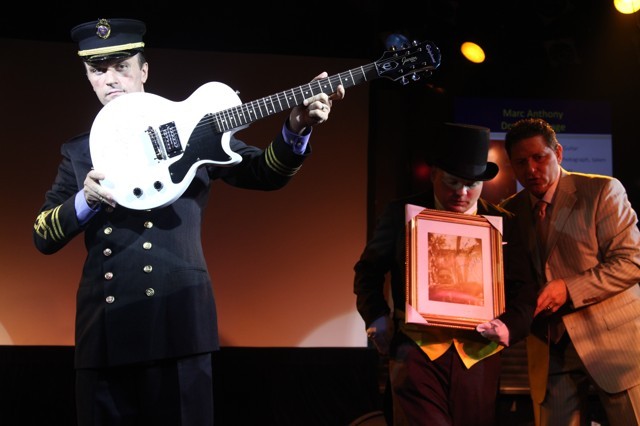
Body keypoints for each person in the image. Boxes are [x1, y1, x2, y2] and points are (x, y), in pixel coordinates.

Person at [32, 18, 345, 426]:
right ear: (88, 78)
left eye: (122, 66)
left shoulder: (192, 128)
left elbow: (265, 172)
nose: (110, 79)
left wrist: (296, 128)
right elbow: (43, 234)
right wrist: (84, 201)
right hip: (105, 334)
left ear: (144, 70)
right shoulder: (79, 151)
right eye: (98, 70)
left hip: (178, 324)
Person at [353, 122, 536, 426]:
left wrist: (510, 327)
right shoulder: (402, 214)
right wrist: (376, 316)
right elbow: (368, 271)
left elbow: (525, 288)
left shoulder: (503, 223)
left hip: (478, 357)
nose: (461, 193)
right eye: (452, 182)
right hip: (416, 352)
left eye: (471, 185)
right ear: (434, 174)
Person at [500, 117, 640, 425]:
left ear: (559, 153)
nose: (531, 170)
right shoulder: (508, 211)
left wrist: (569, 288)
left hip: (614, 346)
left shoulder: (602, 190)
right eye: (521, 162)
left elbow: (631, 261)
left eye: (539, 158)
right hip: (550, 350)